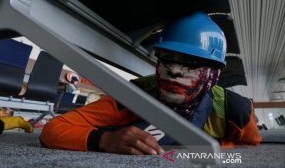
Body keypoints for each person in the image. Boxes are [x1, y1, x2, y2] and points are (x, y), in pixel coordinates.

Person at [40, 12, 261, 155]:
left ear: (214, 73)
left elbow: (253, 151)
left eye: (191, 62)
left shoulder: (236, 111)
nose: (174, 70)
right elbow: (53, 130)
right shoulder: (132, 96)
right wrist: (106, 140)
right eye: (167, 57)